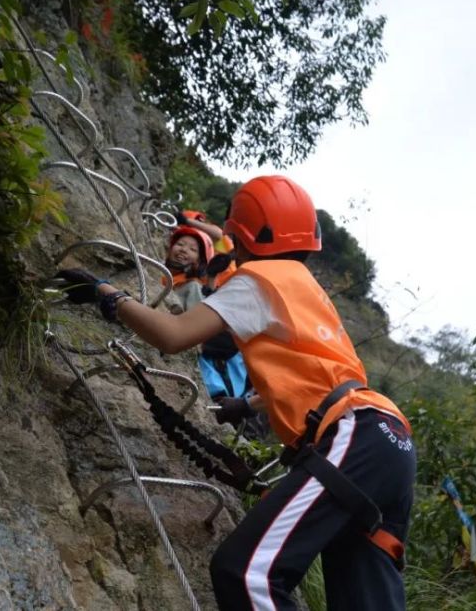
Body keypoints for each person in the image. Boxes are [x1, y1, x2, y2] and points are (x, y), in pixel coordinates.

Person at [56, 175, 415, 610]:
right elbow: (319, 383)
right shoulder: (309, 291)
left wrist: (107, 295)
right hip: (388, 439)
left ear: (243, 234)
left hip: (352, 435)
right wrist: (246, 403)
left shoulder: (258, 280)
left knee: (247, 574)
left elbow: (172, 335)